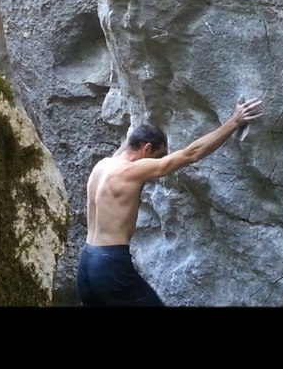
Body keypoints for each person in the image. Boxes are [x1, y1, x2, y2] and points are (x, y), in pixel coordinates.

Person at [76, 96, 264, 306]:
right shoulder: (131, 171)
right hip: (110, 264)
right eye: (158, 156)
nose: (158, 162)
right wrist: (234, 121)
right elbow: (191, 154)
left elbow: (128, 143)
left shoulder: (103, 165)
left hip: (86, 262)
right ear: (147, 149)